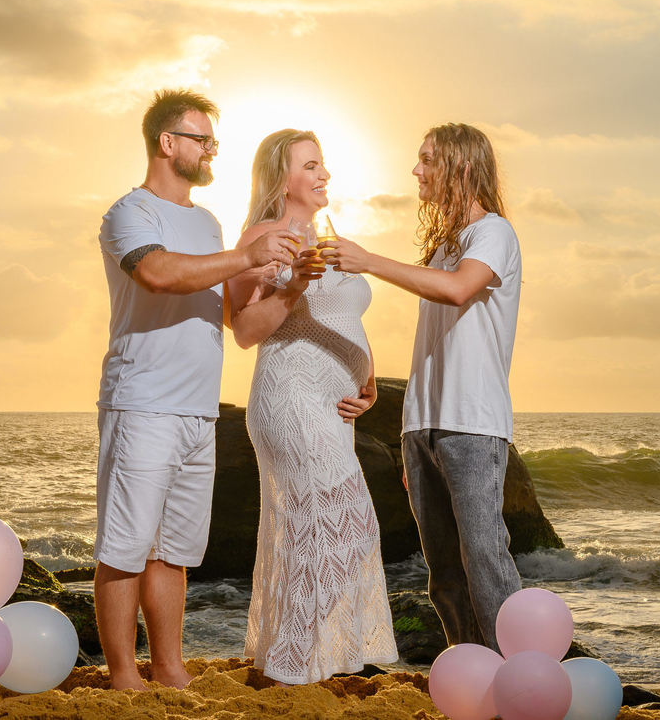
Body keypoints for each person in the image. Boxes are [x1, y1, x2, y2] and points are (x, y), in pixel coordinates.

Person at [94, 90, 299, 690]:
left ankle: (171, 668)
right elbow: (158, 273)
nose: (212, 150)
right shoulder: (129, 212)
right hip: (141, 401)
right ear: (167, 142)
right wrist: (243, 256)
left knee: (174, 551)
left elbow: (232, 319)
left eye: (213, 140)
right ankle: (123, 678)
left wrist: (267, 278)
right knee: (126, 546)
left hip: (197, 410)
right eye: (202, 138)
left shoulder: (208, 224)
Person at [324, 123, 523, 652]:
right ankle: (474, 677)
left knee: (485, 560)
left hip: (472, 427)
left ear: (460, 165)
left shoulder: (494, 233)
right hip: (425, 429)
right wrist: (411, 431)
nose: (416, 170)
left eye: (426, 159)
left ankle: (519, 676)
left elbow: (459, 291)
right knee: (445, 577)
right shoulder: (443, 249)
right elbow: (432, 343)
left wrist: (367, 260)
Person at [227, 128, 398, 684]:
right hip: (288, 398)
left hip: (333, 406)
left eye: (323, 164)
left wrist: (366, 372)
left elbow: (347, 313)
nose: (324, 174)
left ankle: (312, 661)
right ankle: (291, 670)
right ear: (282, 178)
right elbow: (246, 330)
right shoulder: (262, 236)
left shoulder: (329, 233)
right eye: (311, 165)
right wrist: (294, 284)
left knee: (318, 528)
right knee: (340, 523)